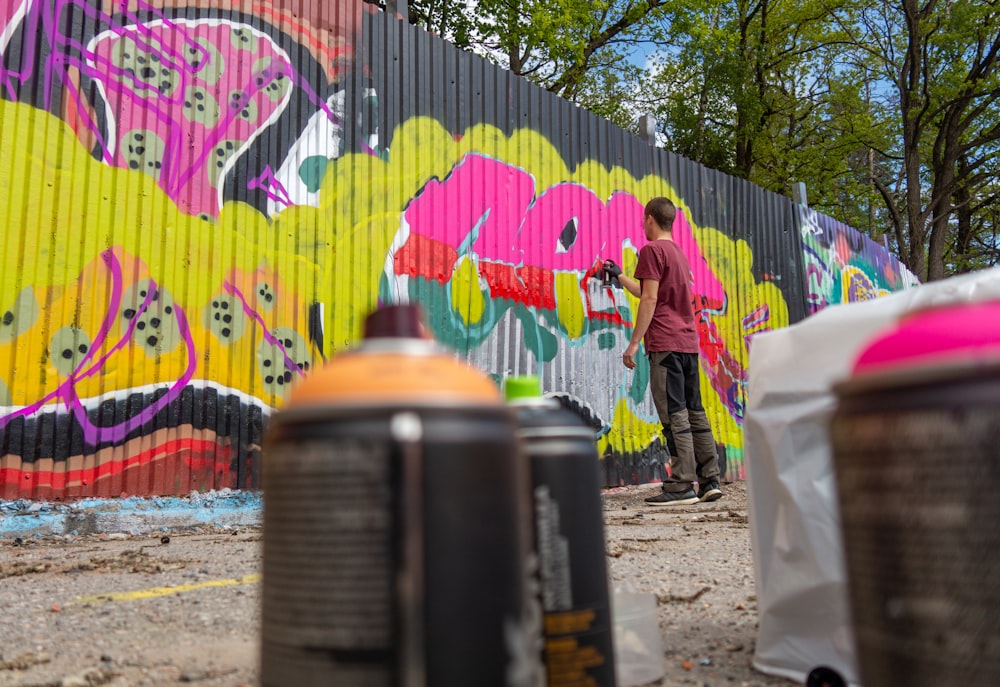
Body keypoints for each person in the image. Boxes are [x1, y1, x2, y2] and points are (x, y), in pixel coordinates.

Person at [603, 197, 723, 506]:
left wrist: (632, 344)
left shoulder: (651, 250)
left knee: (674, 416)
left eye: (644, 221)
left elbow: (649, 300)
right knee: (695, 413)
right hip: (688, 345)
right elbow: (646, 290)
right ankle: (709, 479)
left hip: (665, 345)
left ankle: (681, 485)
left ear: (650, 219)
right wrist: (618, 275)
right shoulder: (678, 254)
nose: (642, 226)